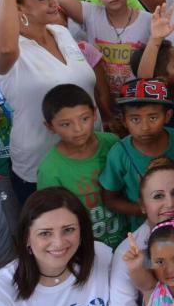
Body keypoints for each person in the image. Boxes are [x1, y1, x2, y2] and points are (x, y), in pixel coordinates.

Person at [0, 0, 97, 204]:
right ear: (19, 8)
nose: (52, 1)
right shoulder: (3, 50)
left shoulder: (60, 33)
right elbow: (7, 47)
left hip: (89, 155)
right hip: (39, 165)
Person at [0, 187, 112, 306]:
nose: (59, 243)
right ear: (26, 238)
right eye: (45, 233)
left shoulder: (102, 256)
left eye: (68, 230)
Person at [36, 84, 123, 248]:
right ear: (50, 127)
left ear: (95, 113)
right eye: (65, 124)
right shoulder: (50, 170)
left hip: (126, 238)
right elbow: (53, 218)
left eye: (84, 118)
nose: (78, 129)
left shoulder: (112, 143)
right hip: (86, 247)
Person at [99, 78, 174, 229]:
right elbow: (110, 199)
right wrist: (147, 210)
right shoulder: (119, 154)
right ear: (124, 121)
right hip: (145, 228)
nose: (145, 127)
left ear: (167, 116)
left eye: (153, 117)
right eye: (135, 119)